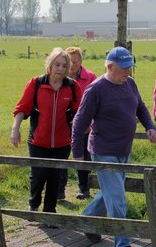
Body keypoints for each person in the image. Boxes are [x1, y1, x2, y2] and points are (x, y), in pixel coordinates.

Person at [71, 46, 156, 246]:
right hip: (104, 151)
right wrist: (77, 154)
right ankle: (123, 243)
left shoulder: (130, 84)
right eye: (124, 67)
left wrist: (149, 127)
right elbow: (79, 123)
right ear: (110, 66)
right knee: (118, 198)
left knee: (108, 194)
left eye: (130, 67)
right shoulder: (96, 89)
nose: (128, 71)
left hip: (124, 150)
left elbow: (141, 107)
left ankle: (86, 220)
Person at [11, 47, 83, 214]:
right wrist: (15, 129)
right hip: (38, 141)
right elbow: (22, 108)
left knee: (55, 177)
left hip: (62, 142)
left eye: (64, 66)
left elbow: (80, 112)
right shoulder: (36, 84)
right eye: (57, 64)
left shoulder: (72, 87)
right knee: (38, 174)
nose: (60, 69)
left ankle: (50, 212)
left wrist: (85, 127)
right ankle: (33, 204)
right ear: (50, 65)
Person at [57, 46, 97, 201]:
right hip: (64, 122)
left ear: (81, 61)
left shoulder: (91, 77)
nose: (72, 64)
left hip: (84, 123)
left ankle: (84, 188)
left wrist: (91, 123)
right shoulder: (61, 77)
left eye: (75, 61)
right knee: (63, 156)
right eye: (70, 61)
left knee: (83, 156)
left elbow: (96, 102)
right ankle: (60, 190)